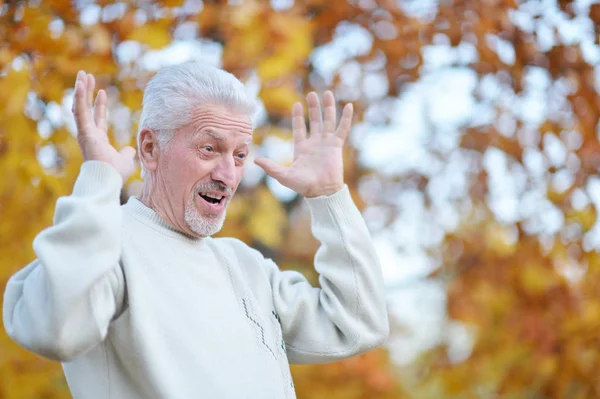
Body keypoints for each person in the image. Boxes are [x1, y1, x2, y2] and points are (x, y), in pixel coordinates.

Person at [2, 62, 389, 399]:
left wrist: (329, 197)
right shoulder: (106, 240)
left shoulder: (244, 264)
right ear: (150, 149)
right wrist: (98, 180)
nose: (228, 175)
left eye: (239, 155)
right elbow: (55, 329)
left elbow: (357, 325)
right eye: (209, 149)